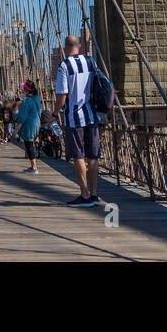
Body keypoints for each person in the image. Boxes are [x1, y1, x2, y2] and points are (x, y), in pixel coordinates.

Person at [54, 35, 101, 207]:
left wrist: (54, 112)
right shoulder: (91, 62)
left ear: (66, 48)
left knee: (78, 155)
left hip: (74, 119)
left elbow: (62, 95)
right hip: (92, 116)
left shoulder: (64, 66)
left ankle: (85, 194)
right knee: (93, 155)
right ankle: (95, 193)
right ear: (80, 46)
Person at [13, 80, 43, 174]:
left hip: (29, 124)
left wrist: (16, 130)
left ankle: (34, 167)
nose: (22, 89)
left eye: (24, 87)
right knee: (30, 143)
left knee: (29, 144)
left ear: (26, 89)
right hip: (36, 123)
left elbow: (22, 116)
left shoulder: (26, 100)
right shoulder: (37, 98)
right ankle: (32, 166)